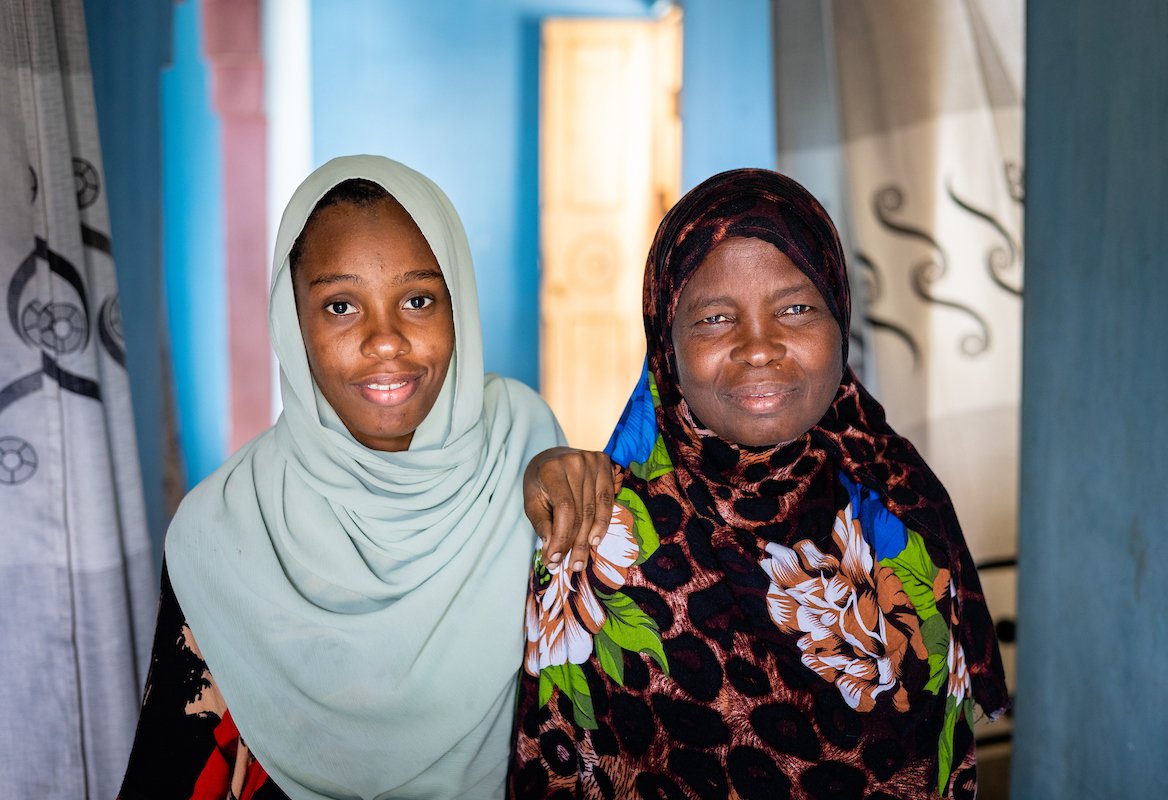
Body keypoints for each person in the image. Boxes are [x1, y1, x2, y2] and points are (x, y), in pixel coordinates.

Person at [118, 155, 611, 800]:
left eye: (417, 299)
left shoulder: (526, 444)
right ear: (292, 324)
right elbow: (174, 768)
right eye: (342, 305)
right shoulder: (224, 526)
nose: (386, 339)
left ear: (457, 305)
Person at [511, 169, 1009, 799]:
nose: (758, 347)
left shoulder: (904, 512)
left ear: (840, 320)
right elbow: (556, 770)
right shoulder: (598, 536)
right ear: (666, 345)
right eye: (716, 318)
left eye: (796, 309)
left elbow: (948, 767)